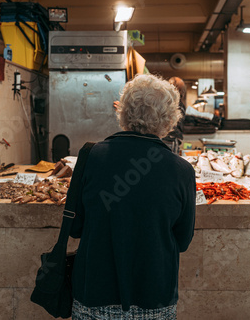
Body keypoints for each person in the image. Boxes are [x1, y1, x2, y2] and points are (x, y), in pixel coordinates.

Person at [70, 74, 196, 320]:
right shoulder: (181, 170)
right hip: (154, 297)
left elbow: (75, 227)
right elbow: (182, 241)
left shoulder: (90, 157)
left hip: (94, 294)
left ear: (123, 112)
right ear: (170, 118)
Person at [161, 76, 186, 154]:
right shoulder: (177, 104)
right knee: (171, 164)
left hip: (163, 138)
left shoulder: (163, 102)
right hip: (171, 139)